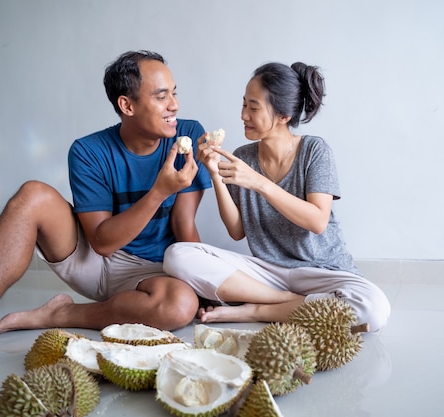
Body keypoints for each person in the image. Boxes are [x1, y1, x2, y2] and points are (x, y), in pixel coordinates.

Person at [0, 50, 212, 367]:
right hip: (94, 259)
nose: (174, 105)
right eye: (162, 96)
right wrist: (159, 191)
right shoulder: (88, 151)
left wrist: (208, 284)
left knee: (180, 306)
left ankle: (62, 313)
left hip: (155, 270)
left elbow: (184, 223)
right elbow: (102, 243)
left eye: (174, 93)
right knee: (32, 195)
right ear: (127, 105)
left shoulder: (188, 135)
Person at [163, 62, 391, 333]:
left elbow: (317, 221)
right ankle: (286, 302)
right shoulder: (244, 156)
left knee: (374, 309)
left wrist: (258, 182)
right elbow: (237, 232)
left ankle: (257, 311)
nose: (243, 114)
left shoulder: (314, 150)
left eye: (253, 107)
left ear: (283, 115)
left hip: (322, 273)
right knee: (177, 255)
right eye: (243, 104)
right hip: (268, 274)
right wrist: (214, 173)